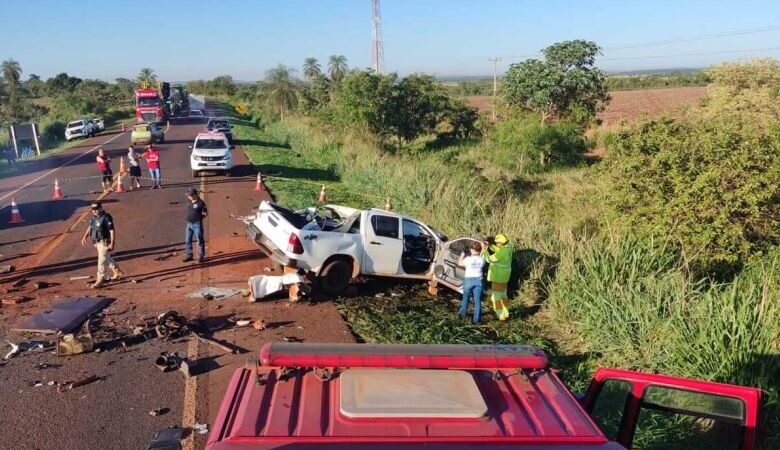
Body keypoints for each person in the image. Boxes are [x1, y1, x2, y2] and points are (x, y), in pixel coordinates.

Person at [80, 201, 124, 289]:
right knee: (106, 257)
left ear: (101, 208)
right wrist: (85, 237)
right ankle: (117, 271)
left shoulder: (106, 217)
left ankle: (100, 279)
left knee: (101, 260)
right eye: (93, 210)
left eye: (96, 209)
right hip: (97, 242)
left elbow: (112, 230)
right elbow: (90, 227)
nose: (95, 211)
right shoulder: (93, 218)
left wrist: (112, 243)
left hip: (104, 242)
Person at [482, 233, 513, 321]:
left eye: (497, 243)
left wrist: (484, 250)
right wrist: (491, 246)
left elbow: (489, 259)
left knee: (495, 297)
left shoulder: (502, 252)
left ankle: (500, 315)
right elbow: (498, 250)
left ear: (500, 243)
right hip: (505, 277)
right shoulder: (508, 249)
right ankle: (506, 313)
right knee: (503, 295)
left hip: (498, 277)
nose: (497, 244)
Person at [457, 241, 485, 324]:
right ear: (480, 250)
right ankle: (477, 320)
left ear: (471, 250)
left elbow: (459, 263)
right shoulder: (482, 259)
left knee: (465, 298)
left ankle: (461, 316)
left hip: (468, 280)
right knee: (477, 301)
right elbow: (482, 258)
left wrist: (462, 254)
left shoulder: (468, 259)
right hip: (479, 280)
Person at [183, 187, 207, 263]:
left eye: (189, 195)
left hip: (197, 224)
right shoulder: (189, 201)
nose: (188, 197)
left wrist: (199, 218)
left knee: (200, 240)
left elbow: (205, 213)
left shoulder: (201, 203)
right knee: (187, 240)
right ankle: (189, 254)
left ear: (195, 195)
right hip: (189, 224)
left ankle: (201, 255)